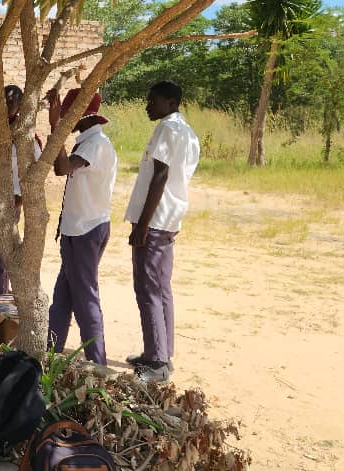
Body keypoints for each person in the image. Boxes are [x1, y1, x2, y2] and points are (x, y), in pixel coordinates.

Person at [124, 80, 200, 383]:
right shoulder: (186, 130)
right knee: (161, 289)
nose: (147, 106)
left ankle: (157, 363)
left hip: (154, 222)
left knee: (148, 290)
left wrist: (142, 224)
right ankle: (159, 351)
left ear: (171, 102)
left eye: (152, 101)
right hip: (167, 219)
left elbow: (161, 176)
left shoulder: (168, 128)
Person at [45, 89, 118, 366]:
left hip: (87, 229)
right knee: (63, 295)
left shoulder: (96, 144)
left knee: (85, 296)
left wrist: (55, 127)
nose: (66, 120)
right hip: (76, 228)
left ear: (83, 116)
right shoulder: (86, 141)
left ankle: (97, 363)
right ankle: (52, 351)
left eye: (69, 115)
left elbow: (62, 168)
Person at [0, 85, 41, 297]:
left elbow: (37, 170)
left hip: (10, 203)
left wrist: (20, 200)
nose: (6, 106)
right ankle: (1, 291)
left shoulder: (26, 136)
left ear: (20, 106)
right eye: (2, 101)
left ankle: (0, 301)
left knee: (0, 254)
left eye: (11, 102)